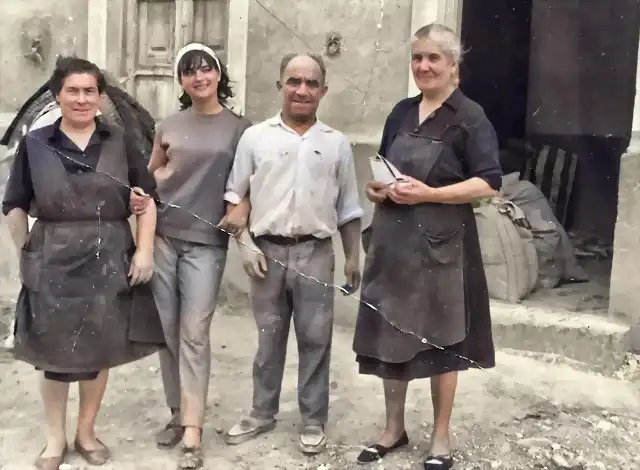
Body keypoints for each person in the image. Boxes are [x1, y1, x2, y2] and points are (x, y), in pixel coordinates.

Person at [1, 56, 164, 470]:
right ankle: (54, 440)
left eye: (89, 90)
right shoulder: (35, 144)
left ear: (100, 96)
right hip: (52, 255)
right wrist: (27, 253)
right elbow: (14, 206)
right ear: (57, 95)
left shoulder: (119, 140)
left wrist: (143, 250)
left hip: (108, 255)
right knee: (52, 355)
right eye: (72, 90)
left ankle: (86, 433)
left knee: (98, 349)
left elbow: (146, 202)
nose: (80, 98)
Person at [352, 24, 502, 469]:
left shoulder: (470, 117)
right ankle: (393, 429)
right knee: (388, 335)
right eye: (417, 57)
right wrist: (378, 190)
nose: (423, 66)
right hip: (394, 243)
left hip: (443, 248)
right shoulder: (401, 112)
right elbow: (384, 169)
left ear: (454, 65)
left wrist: (430, 195)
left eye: (434, 58)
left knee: (444, 338)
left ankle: (440, 438)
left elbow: (488, 183)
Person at [220, 53, 363, 455]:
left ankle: (313, 418)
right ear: (280, 84)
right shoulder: (255, 138)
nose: (302, 90)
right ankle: (261, 412)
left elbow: (349, 207)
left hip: (316, 252)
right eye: (294, 81)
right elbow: (234, 199)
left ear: (323, 91)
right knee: (269, 340)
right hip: (266, 252)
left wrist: (353, 257)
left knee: (316, 339)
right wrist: (246, 246)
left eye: (311, 83)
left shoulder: (336, 144)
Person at [129, 43, 251, 469]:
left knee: (194, 331)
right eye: (189, 72)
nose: (199, 78)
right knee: (167, 331)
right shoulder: (169, 124)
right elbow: (149, 179)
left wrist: (242, 210)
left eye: (205, 70)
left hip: (206, 243)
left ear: (219, 75)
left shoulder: (239, 127)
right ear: (181, 81)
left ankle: (193, 431)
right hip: (164, 237)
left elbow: (247, 184)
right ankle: (177, 414)